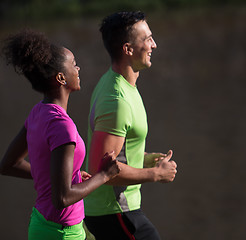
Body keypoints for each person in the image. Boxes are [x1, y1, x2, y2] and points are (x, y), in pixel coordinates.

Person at [0, 29, 120, 240]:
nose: (78, 68)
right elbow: (62, 197)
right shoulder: (62, 126)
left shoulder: (38, 112)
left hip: (41, 224)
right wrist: (105, 175)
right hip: (61, 233)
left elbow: (9, 164)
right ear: (61, 77)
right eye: (74, 64)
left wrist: (65, 176)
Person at [83, 11, 177, 240]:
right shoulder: (116, 100)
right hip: (112, 212)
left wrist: (141, 158)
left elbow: (115, 154)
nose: (154, 45)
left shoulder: (123, 86)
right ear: (128, 49)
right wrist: (155, 174)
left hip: (118, 211)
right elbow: (101, 169)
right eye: (147, 39)